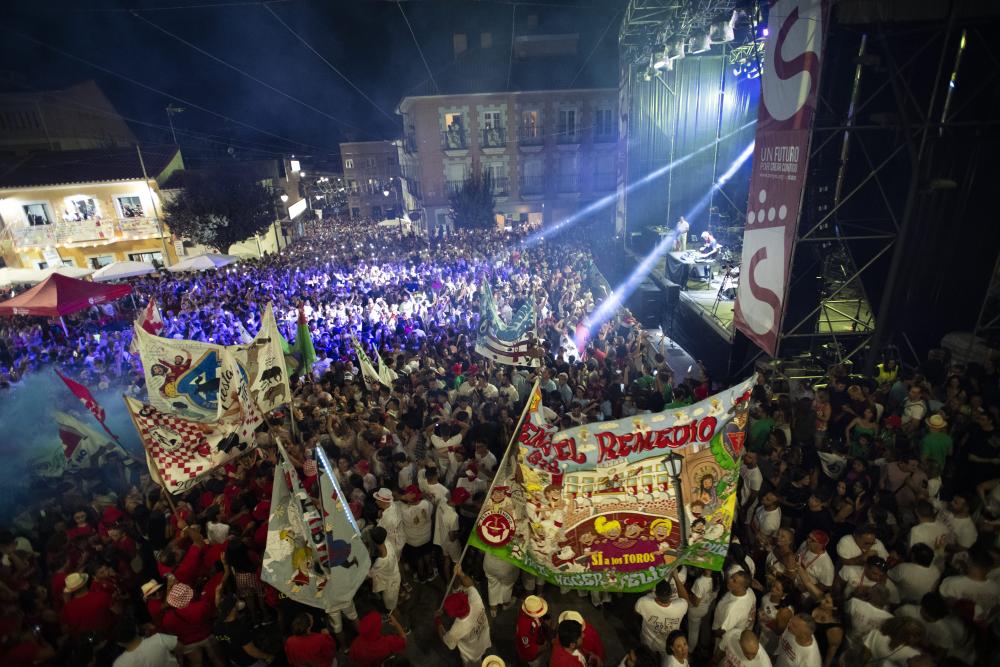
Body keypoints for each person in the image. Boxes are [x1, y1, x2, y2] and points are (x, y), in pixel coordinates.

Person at [438, 564, 491, 666]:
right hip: (484, 639)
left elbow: (446, 641)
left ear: (453, 614)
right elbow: (470, 585)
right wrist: (460, 573)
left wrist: (438, 621)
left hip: (471, 656)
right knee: (483, 654)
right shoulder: (475, 599)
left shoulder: (457, 629)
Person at [634, 573, 689, 657]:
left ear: (656, 593)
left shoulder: (643, 602)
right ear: (671, 594)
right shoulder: (680, 606)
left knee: (648, 659)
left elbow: (636, 612)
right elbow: (685, 600)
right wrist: (676, 579)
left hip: (648, 642)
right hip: (668, 645)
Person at [113, 617, 180, 667]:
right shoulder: (159, 639)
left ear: (119, 643)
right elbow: (180, 647)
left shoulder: (119, 664)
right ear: (136, 629)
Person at [712, 571, 756, 648]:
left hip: (725, 639)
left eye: (734, 581)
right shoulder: (749, 591)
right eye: (732, 577)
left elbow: (721, 632)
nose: (729, 580)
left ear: (742, 587)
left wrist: (712, 632)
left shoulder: (733, 610)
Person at [516, 595, 550, 666]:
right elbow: (528, 648)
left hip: (538, 639)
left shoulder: (529, 610)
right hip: (530, 654)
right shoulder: (523, 627)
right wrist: (543, 647)